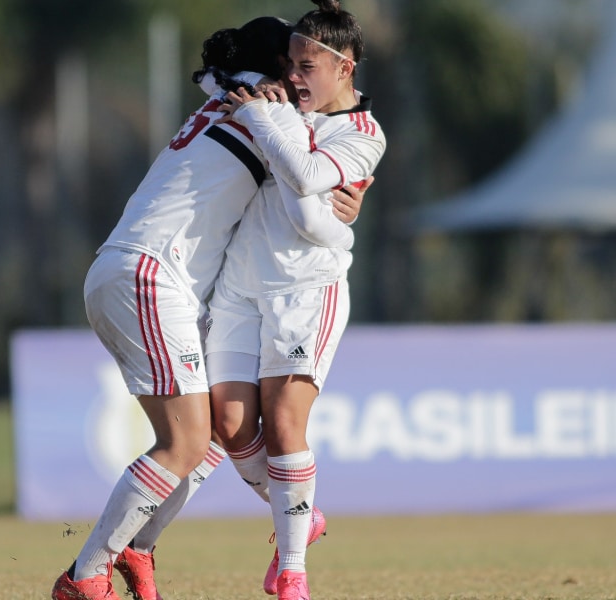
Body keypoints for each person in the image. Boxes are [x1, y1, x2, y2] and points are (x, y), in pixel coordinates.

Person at [50, 15, 369, 600]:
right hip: (151, 274)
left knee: (213, 433)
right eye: (292, 65)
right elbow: (305, 194)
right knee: (186, 442)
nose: (300, 79)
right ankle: (85, 575)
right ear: (275, 69)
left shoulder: (233, 96)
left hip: (133, 271)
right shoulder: (268, 109)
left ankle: (139, 548)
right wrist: (343, 216)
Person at [207, 1, 386, 598]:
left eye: (307, 65)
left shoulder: (363, 134)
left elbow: (308, 182)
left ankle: (292, 575)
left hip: (306, 291)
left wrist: (260, 116)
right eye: (290, 63)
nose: (294, 76)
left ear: (346, 66)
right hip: (240, 285)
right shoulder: (282, 102)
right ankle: (304, 516)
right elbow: (215, 73)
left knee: (285, 425)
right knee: (231, 426)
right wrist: (254, 94)